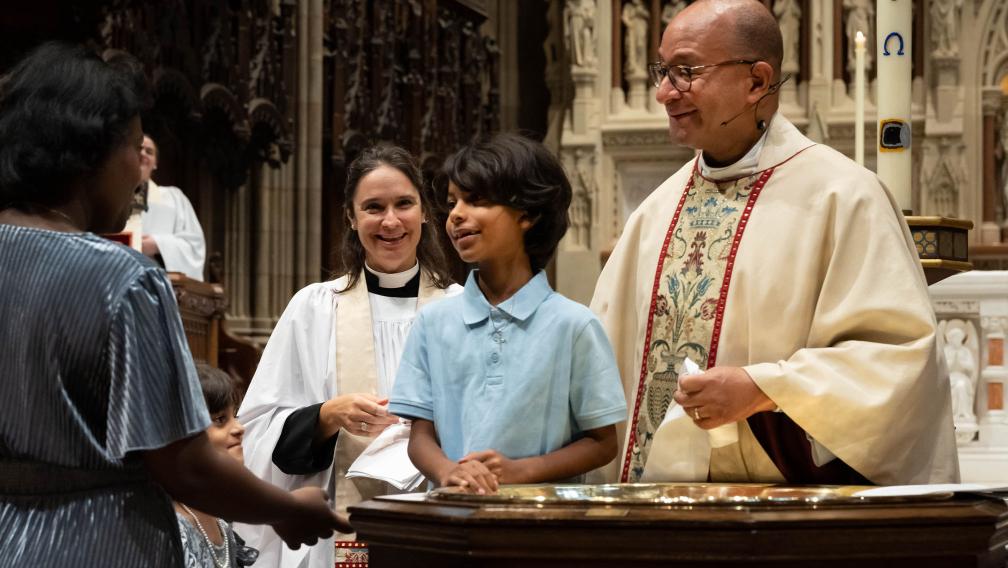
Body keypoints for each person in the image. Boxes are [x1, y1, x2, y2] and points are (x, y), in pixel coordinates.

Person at [0, 42, 347, 566]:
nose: (137, 173)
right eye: (133, 146)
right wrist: (285, 507)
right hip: (95, 541)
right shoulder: (120, 278)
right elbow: (184, 463)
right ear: (93, 150)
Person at [591, 0, 959, 486]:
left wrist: (762, 389)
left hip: (786, 519)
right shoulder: (654, 214)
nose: (663, 92)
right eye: (662, 71)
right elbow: (601, 370)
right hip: (660, 515)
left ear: (757, 82)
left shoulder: (843, 197)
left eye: (685, 71)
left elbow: (898, 360)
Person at [237, 144, 460, 567]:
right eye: (373, 207)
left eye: (404, 204)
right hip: (340, 526)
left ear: (426, 212)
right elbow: (257, 429)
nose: (390, 221)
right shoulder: (316, 307)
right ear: (351, 218)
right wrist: (325, 416)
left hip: (438, 519)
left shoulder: (459, 308)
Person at [389, 133, 627, 494]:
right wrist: (449, 471)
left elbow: (603, 443)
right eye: (453, 203)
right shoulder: (432, 322)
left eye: (476, 200)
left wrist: (523, 470)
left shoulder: (574, 325)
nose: (456, 215)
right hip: (454, 517)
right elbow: (420, 437)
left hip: (540, 527)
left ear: (528, 214)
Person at [175, 364, 258, 568]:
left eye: (234, 416)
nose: (239, 428)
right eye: (220, 420)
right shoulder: (172, 529)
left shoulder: (219, 520)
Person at [132, 133, 206, 280]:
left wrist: (158, 244)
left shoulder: (174, 198)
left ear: (155, 163)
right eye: (138, 149)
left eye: (149, 151)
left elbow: (194, 246)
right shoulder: (112, 195)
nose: (143, 153)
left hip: (157, 282)